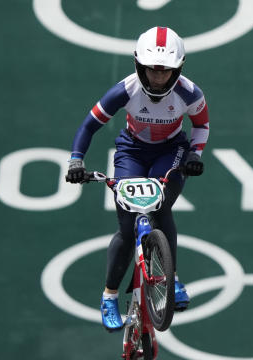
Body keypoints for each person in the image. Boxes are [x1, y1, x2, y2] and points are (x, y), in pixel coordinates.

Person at [65, 26, 209, 332]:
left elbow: (201, 126)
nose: (158, 78)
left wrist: (194, 155)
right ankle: (109, 296)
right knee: (128, 228)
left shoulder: (190, 93)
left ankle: (171, 280)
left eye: (165, 72)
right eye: (151, 71)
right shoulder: (125, 90)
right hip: (131, 151)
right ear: (138, 65)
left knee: (159, 207)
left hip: (170, 150)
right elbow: (88, 126)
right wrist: (76, 159)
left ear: (178, 69)